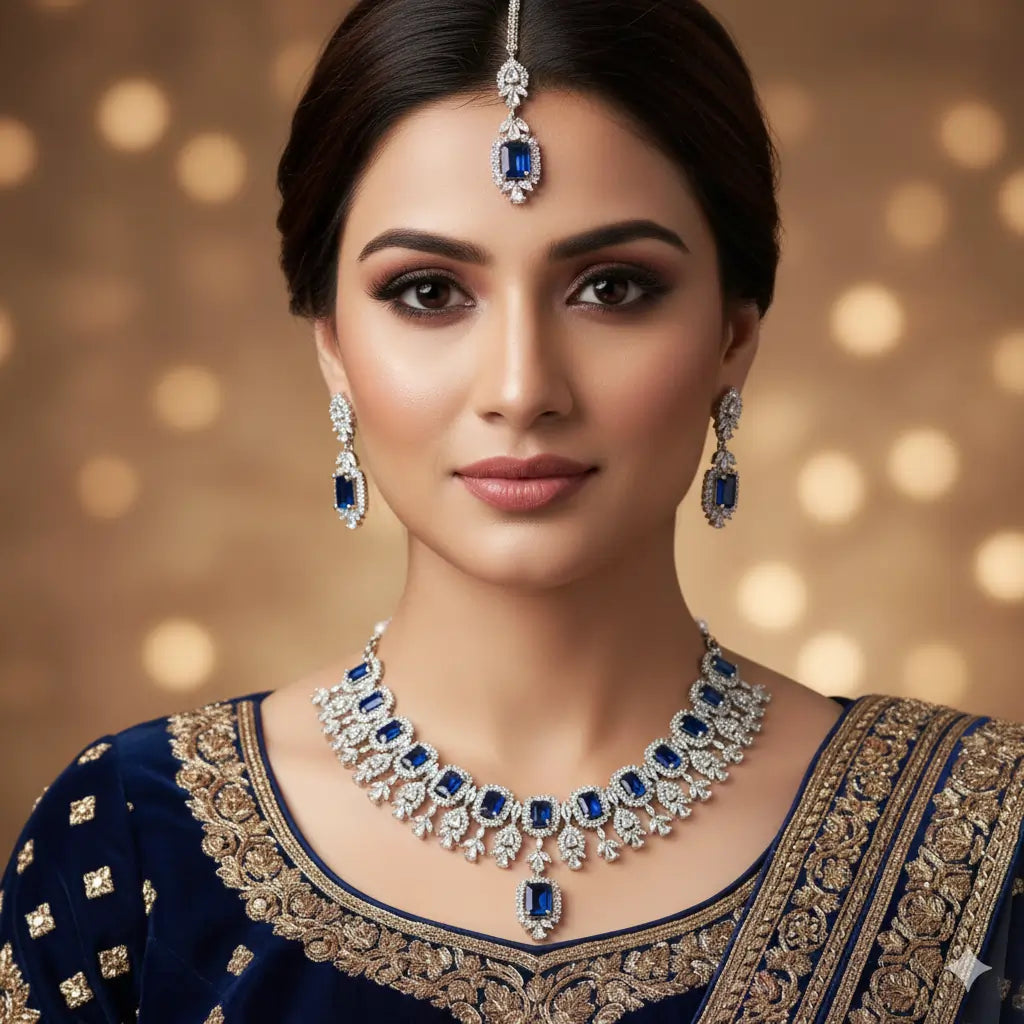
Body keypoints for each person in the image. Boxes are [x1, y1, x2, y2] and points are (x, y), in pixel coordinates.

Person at [2, 0, 1023, 1020]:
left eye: (613, 287)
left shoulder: (977, 830)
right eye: (429, 292)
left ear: (732, 334)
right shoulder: (135, 839)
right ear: (332, 346)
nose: (522, 386)